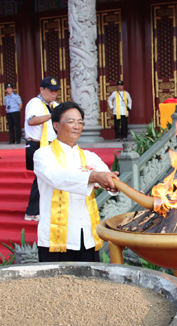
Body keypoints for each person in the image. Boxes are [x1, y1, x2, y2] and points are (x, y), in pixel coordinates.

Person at [34, 101, 119, 262]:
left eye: (80, 122)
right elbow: (56, 177)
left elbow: (108, 178)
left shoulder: (90, 156)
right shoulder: (43, 155)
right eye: (71, 121)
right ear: (56, 125)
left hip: (86, 235)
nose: (77, 126)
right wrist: (92, 177)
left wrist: (120, 186)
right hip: (56, 238)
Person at [24, 77, 60, 221]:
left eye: (56, 91)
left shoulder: (55, 105)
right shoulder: (35, 103)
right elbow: (32, 121)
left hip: (51, 145)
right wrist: (51, 115)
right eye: (51, 91)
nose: (54, 94)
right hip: (37, 145)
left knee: (47, 178)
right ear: (42, 90)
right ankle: (32, 211)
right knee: (41, 178)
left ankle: (42, 209)